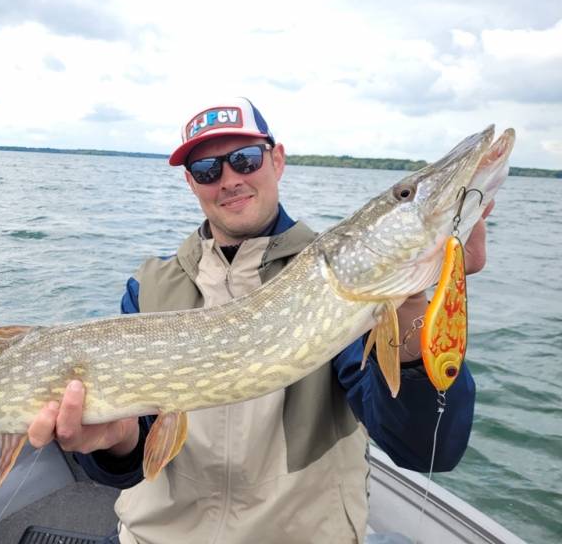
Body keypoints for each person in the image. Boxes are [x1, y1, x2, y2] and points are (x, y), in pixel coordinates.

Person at [28, 97, 489, 543]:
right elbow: (132, 459)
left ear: (277, 160)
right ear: (192, 184)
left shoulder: (338, 284)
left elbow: (428, 450)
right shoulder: (148, 288)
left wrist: (414, 305)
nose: (228, 179)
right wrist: (116, 441)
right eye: (207, 170)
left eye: (245, 159)